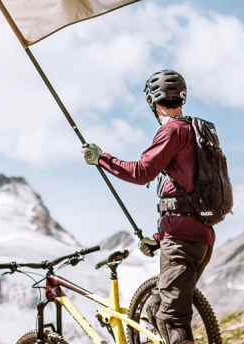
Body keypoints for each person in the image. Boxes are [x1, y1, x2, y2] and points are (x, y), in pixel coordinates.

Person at [82, 70, 214, 344]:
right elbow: (188, 194)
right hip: (198, 234)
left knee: (170, 317)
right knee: (155, 306)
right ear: (182, 97)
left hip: (182, 239)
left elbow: (142, 172)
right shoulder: (195, 132)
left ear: (152, 101)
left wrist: (101, 158)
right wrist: (158, 239)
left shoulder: (172, 131)